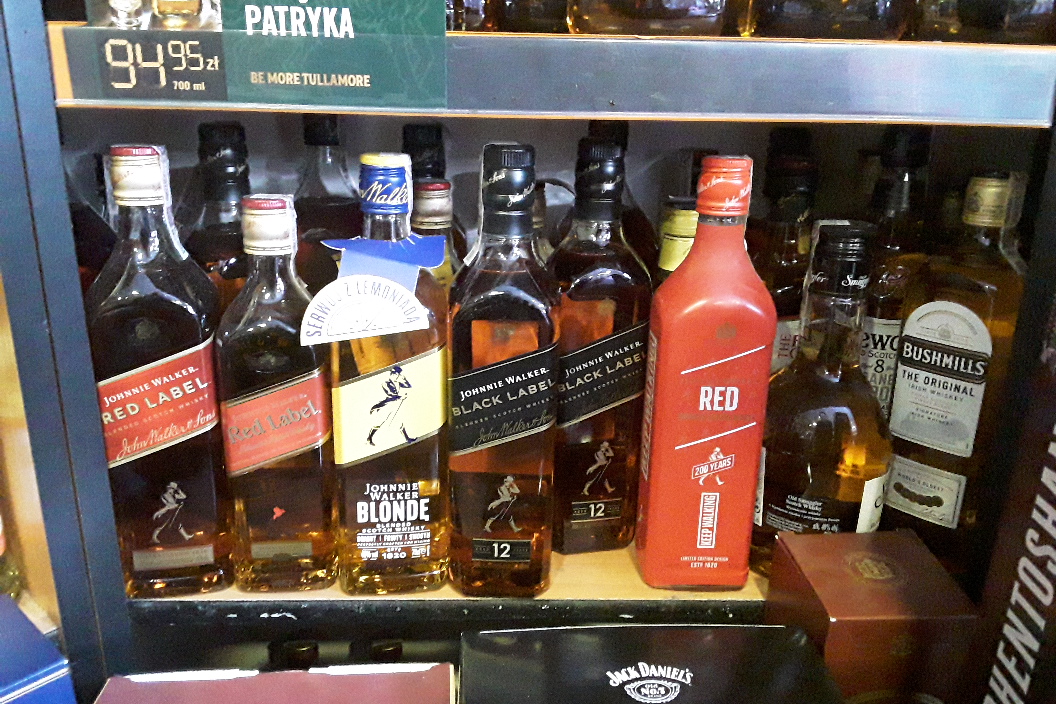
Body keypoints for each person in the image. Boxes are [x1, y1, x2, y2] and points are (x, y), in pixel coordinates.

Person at [367, 365, 415, 446]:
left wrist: (404, 379)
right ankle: (369, 438)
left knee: (399, 421)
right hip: (387, 405)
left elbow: (409, 386)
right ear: (393, 374)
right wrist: (400, 397)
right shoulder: (386, 383)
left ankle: (408, 439)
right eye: (397, 374)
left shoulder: (398, 383)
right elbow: (390, 394)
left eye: (399, 374)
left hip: (395, 404)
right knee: (379, 422)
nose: (398, 376)